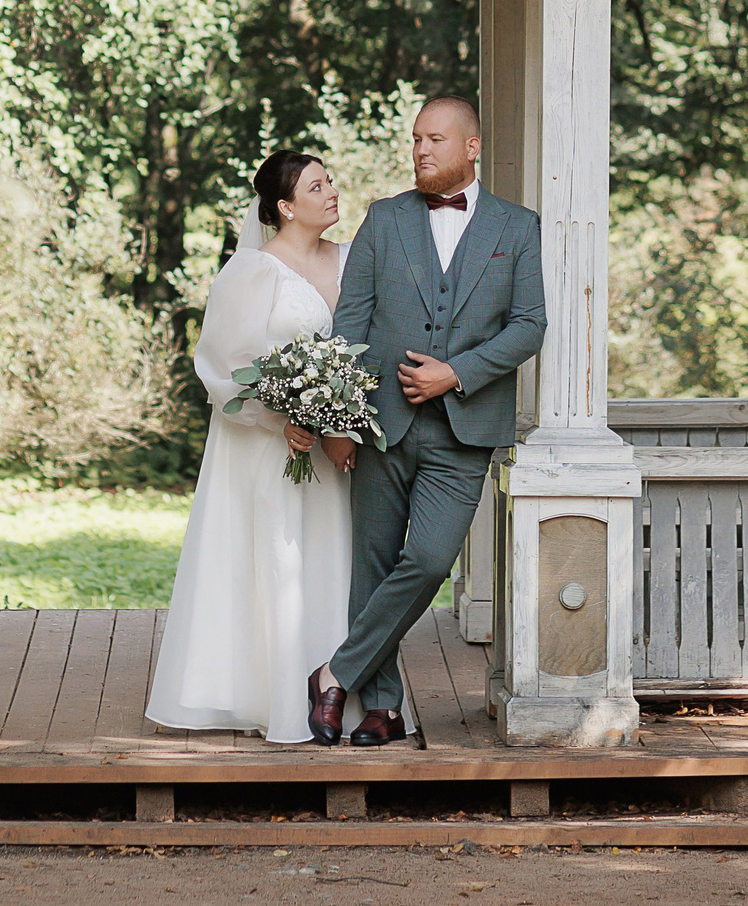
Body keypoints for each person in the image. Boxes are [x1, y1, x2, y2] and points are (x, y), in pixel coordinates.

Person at [306, 96, 546, 746]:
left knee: (431, 558)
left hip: (465, 431)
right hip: (382, 423)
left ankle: (336, 671)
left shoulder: (519, 227)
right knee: (374, 564)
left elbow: (530, 325)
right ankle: (380, 708)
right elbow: (350, 323)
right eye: (416, 139)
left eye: (435, 139)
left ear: (471, 147)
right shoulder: (383, 220)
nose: (421, 150)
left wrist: (456, 370)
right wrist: (338, 419)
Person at [146, 151, 364, 743]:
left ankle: (337, 685)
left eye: (331, 181)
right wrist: (284, 419)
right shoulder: (252, 271)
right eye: (317, 186)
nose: (332, 192)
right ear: (287, 207)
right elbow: (225, 364)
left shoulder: (353, 260)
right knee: (275, 556)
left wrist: (337, 416)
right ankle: (268, 698)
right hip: (270, 446)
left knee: (331, 556)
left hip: (335, 446)